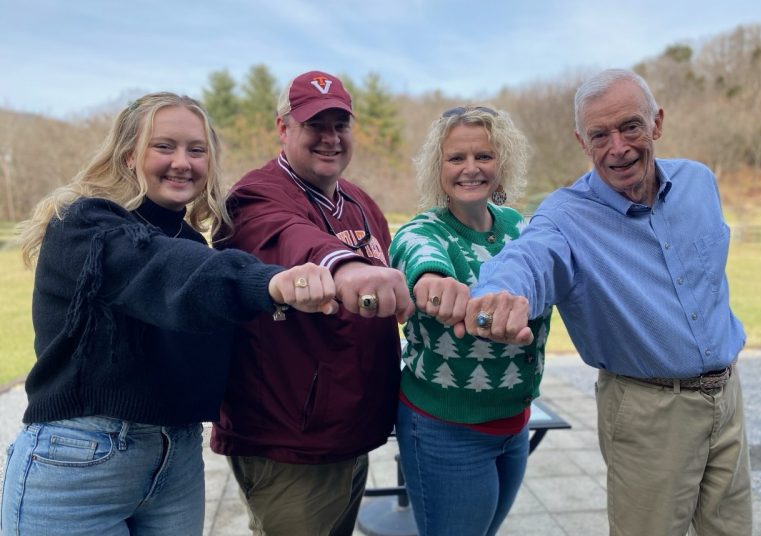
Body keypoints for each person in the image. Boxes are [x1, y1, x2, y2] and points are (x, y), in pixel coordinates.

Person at [0, 92, 339, 536]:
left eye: (196, 150)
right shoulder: (85, 223)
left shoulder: (192, 243)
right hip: (78, 461)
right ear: (127, 156)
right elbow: (160, 270)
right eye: (164, 146)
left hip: (176, 459)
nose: (183, 162)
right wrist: (272, 282)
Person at [467, 69, 751, 536]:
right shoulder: (566, 215)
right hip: (648, 409)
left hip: (728, 397)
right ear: (583, 141)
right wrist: (498, 294)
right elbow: (529, 258)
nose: (618, 147)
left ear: (657, 123)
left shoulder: (699, 183)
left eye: (631, 127)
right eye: (600, 135)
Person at [210, 70, 414, 535]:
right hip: (288, 445)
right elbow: (290, 237)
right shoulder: (254, 197)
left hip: (349, 433)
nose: (330, 138)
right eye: (314, 125)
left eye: (339, 125)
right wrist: (348, 269)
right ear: (283, 129)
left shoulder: (360, 202)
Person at [388, 105, 552, 535]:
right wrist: (432, 282)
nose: (470, 168)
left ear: (503, 163)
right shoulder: (422, 230)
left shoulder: (521, 227)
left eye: (484, 156)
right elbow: (418, 258)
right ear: (437, 168)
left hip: (514, 422)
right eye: (456, 158)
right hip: (446, 431)